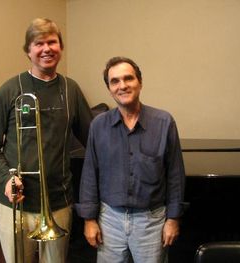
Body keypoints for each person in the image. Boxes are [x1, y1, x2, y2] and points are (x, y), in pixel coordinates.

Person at [0, 18, 93, 263]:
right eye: (38, 43)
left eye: (52, 42)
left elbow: (93, 137)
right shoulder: (10, 90)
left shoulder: (71, 89)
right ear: (28, 51)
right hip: (14, 202)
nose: (46, 48)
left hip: (58, 201)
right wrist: (5, 179)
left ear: (60, 47)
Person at [75, 57, 185, 263]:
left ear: (140, 82)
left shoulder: (164, 122)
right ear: (109, 88)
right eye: (115, 81)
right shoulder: (98, 125)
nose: (122, 85)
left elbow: (175, 176)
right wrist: (89, 220)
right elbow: (90, 173)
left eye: (128, 79)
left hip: (151, 222)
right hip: (109, 220)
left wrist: (173, 219)